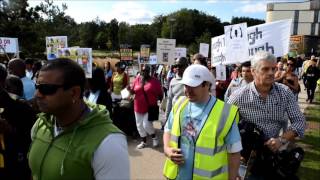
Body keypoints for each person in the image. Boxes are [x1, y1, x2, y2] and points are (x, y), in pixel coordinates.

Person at [28, 58, 130, 180]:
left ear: (74, 93)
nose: (37, 95)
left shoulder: (108, 143)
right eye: (37, 87)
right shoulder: (40, 124)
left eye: (47, 89)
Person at [227, 51, 306, 179]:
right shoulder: (238, 96)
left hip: (274, 157)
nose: (271, 73)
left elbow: (300, 121)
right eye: (265, 69)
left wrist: (281, 139)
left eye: (273, 69)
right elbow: (225, 127)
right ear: (253, 71)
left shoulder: (284, 92)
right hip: (246, 160)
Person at [163, 64, 241, 180]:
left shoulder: (225, 113)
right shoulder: (180, 104)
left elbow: (234, 152)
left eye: (193, 86)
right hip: (177, 175)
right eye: (186, 85)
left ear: (207, 85)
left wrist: (232, 177)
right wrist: (167, 149)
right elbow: (168, 130)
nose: (188, 90)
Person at [0, 66, 36, 180]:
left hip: (13, 170)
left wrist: (10, 130)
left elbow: (33, 143)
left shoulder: (21, 108)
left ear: (3, 81)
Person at [129, 65, 163, 149]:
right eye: (143, 71)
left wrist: (159, 102)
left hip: (149, 107)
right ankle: (143, 142)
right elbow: (133, 91)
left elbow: (160, 93)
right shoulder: (137, 79)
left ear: (150, 72)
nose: (144, 72)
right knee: (139, 125)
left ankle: (154, 138)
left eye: (146, 71)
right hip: (137, 106)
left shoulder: (155, 81)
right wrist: (129, 90)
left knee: (146, 125)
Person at [165, 57, 189, 122]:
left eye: (180, 66)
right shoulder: (173, 81)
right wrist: (167, 117)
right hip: (175, 115)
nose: (178, 68)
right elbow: (169, 100)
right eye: (176, 66)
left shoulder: (192, 80)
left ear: (186, 66)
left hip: (189, 117)